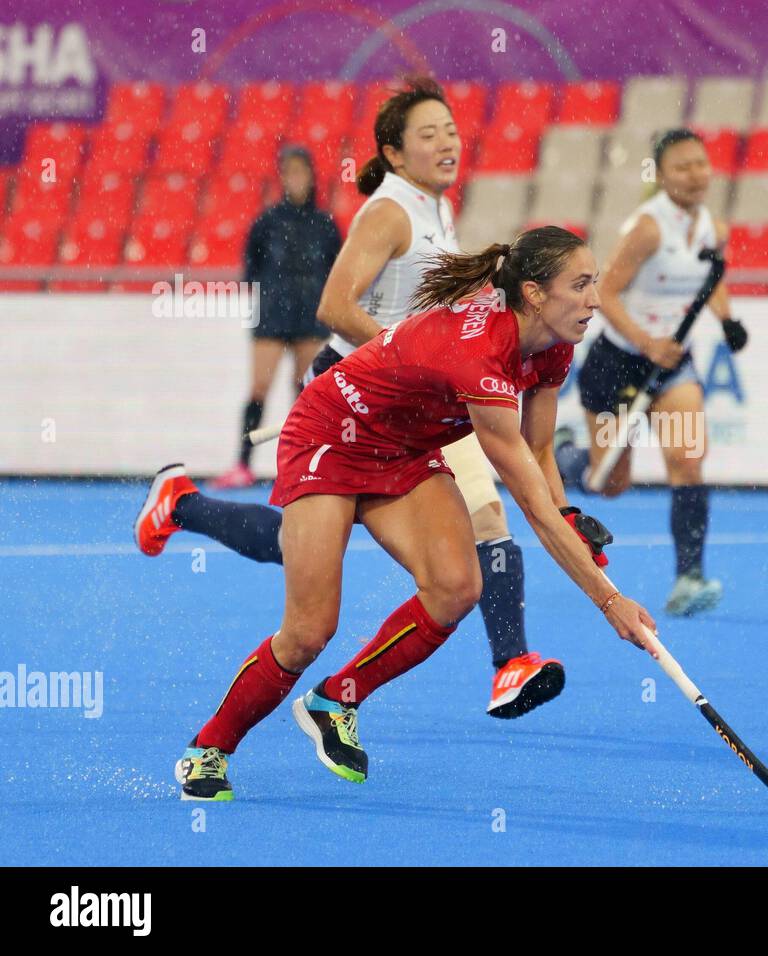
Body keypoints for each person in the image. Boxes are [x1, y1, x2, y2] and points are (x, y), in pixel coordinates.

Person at [136, 77, 573, 719]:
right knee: (296, 548)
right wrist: (421, 358)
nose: (447, 142)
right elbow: (334, 307)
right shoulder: (390, 210)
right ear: (395, 154)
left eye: (450, 130)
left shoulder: (436, 206)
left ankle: (510, 664)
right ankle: (185, 504)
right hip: (352, 397)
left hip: (415, 406)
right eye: (428, 135)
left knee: (483, 519)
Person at [175, 227, 658, 801]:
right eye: (580, 286)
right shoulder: (482, 356)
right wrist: (609, 600)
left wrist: (569, 511)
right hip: (331, 436)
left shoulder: (554, 342)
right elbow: (529, 502)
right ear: (533, 293)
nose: (595, 301)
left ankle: (336, 699)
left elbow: (540, 453)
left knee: (456, 586)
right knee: (309, 631)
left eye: (594, 284)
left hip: (404, 449)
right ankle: (208, 748)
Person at [554, 128, 748, 616]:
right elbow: (607, 294)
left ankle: (688, 577)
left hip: (673, 367)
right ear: (661, 175)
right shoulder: (647, 228)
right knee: (609, 483)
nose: (696, 174)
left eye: (701, 163)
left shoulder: (712, 227)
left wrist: (727, 321)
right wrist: (646, 343)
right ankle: (567, 457)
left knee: (687, 459)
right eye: (683, 166)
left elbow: (710, 279)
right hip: (619, 364)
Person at [210, 145, 340, 490]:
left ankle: (302, 463)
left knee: (306, 391)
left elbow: (336, 269)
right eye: (290, 171)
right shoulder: (267, 222)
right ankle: (243, 463)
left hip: (311, 316)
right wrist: (275, 291)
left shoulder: (325, 224)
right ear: (282, 177)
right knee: (259, 387)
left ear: (312, 177)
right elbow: (251, 268)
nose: (296, 179)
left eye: (301, 171)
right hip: (272, 314)